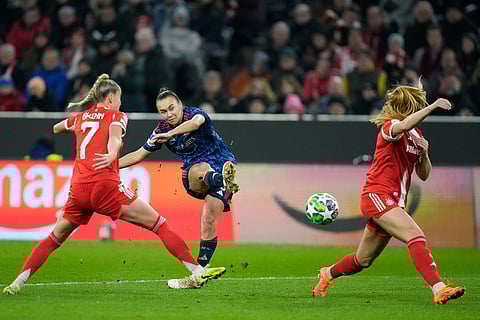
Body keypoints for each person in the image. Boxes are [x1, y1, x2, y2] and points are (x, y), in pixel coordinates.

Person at [3, 75, 225, 295]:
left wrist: (73, 124)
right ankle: (196, 271)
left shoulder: (80, 117)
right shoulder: (117, 116)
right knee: (159, 224)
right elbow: (115, 138)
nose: (120, 103)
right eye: (118, 98)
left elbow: (56, 128)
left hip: (78, 189)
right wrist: (111, 154)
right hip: (105, 186)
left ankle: (18, 282)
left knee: (53, 239)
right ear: (110, 98)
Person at [312, 80, 465, 305]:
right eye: (418, 104)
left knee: (362, 260)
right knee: (415, 235)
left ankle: (327, 275)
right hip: (377, 195)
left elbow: (423, 174)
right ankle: (438, 288)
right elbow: (401, 127)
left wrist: (425, 154)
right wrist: (432, 107)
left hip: (394, 201)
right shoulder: (390, 126)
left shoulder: (416, 136)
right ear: (409, 107)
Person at [115, 88, 239, 288]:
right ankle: (220, 178)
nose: (169, 114)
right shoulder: (160, 130)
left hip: (223, 162)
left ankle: (198, 276)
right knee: (200, 169)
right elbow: (138, 154)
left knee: (208, 219)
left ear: (181, 104)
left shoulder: (196, 114)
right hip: (195, 176)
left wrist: (170, 133)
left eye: (172, 108)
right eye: (163, 111)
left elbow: (195, 124)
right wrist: (110, 166)